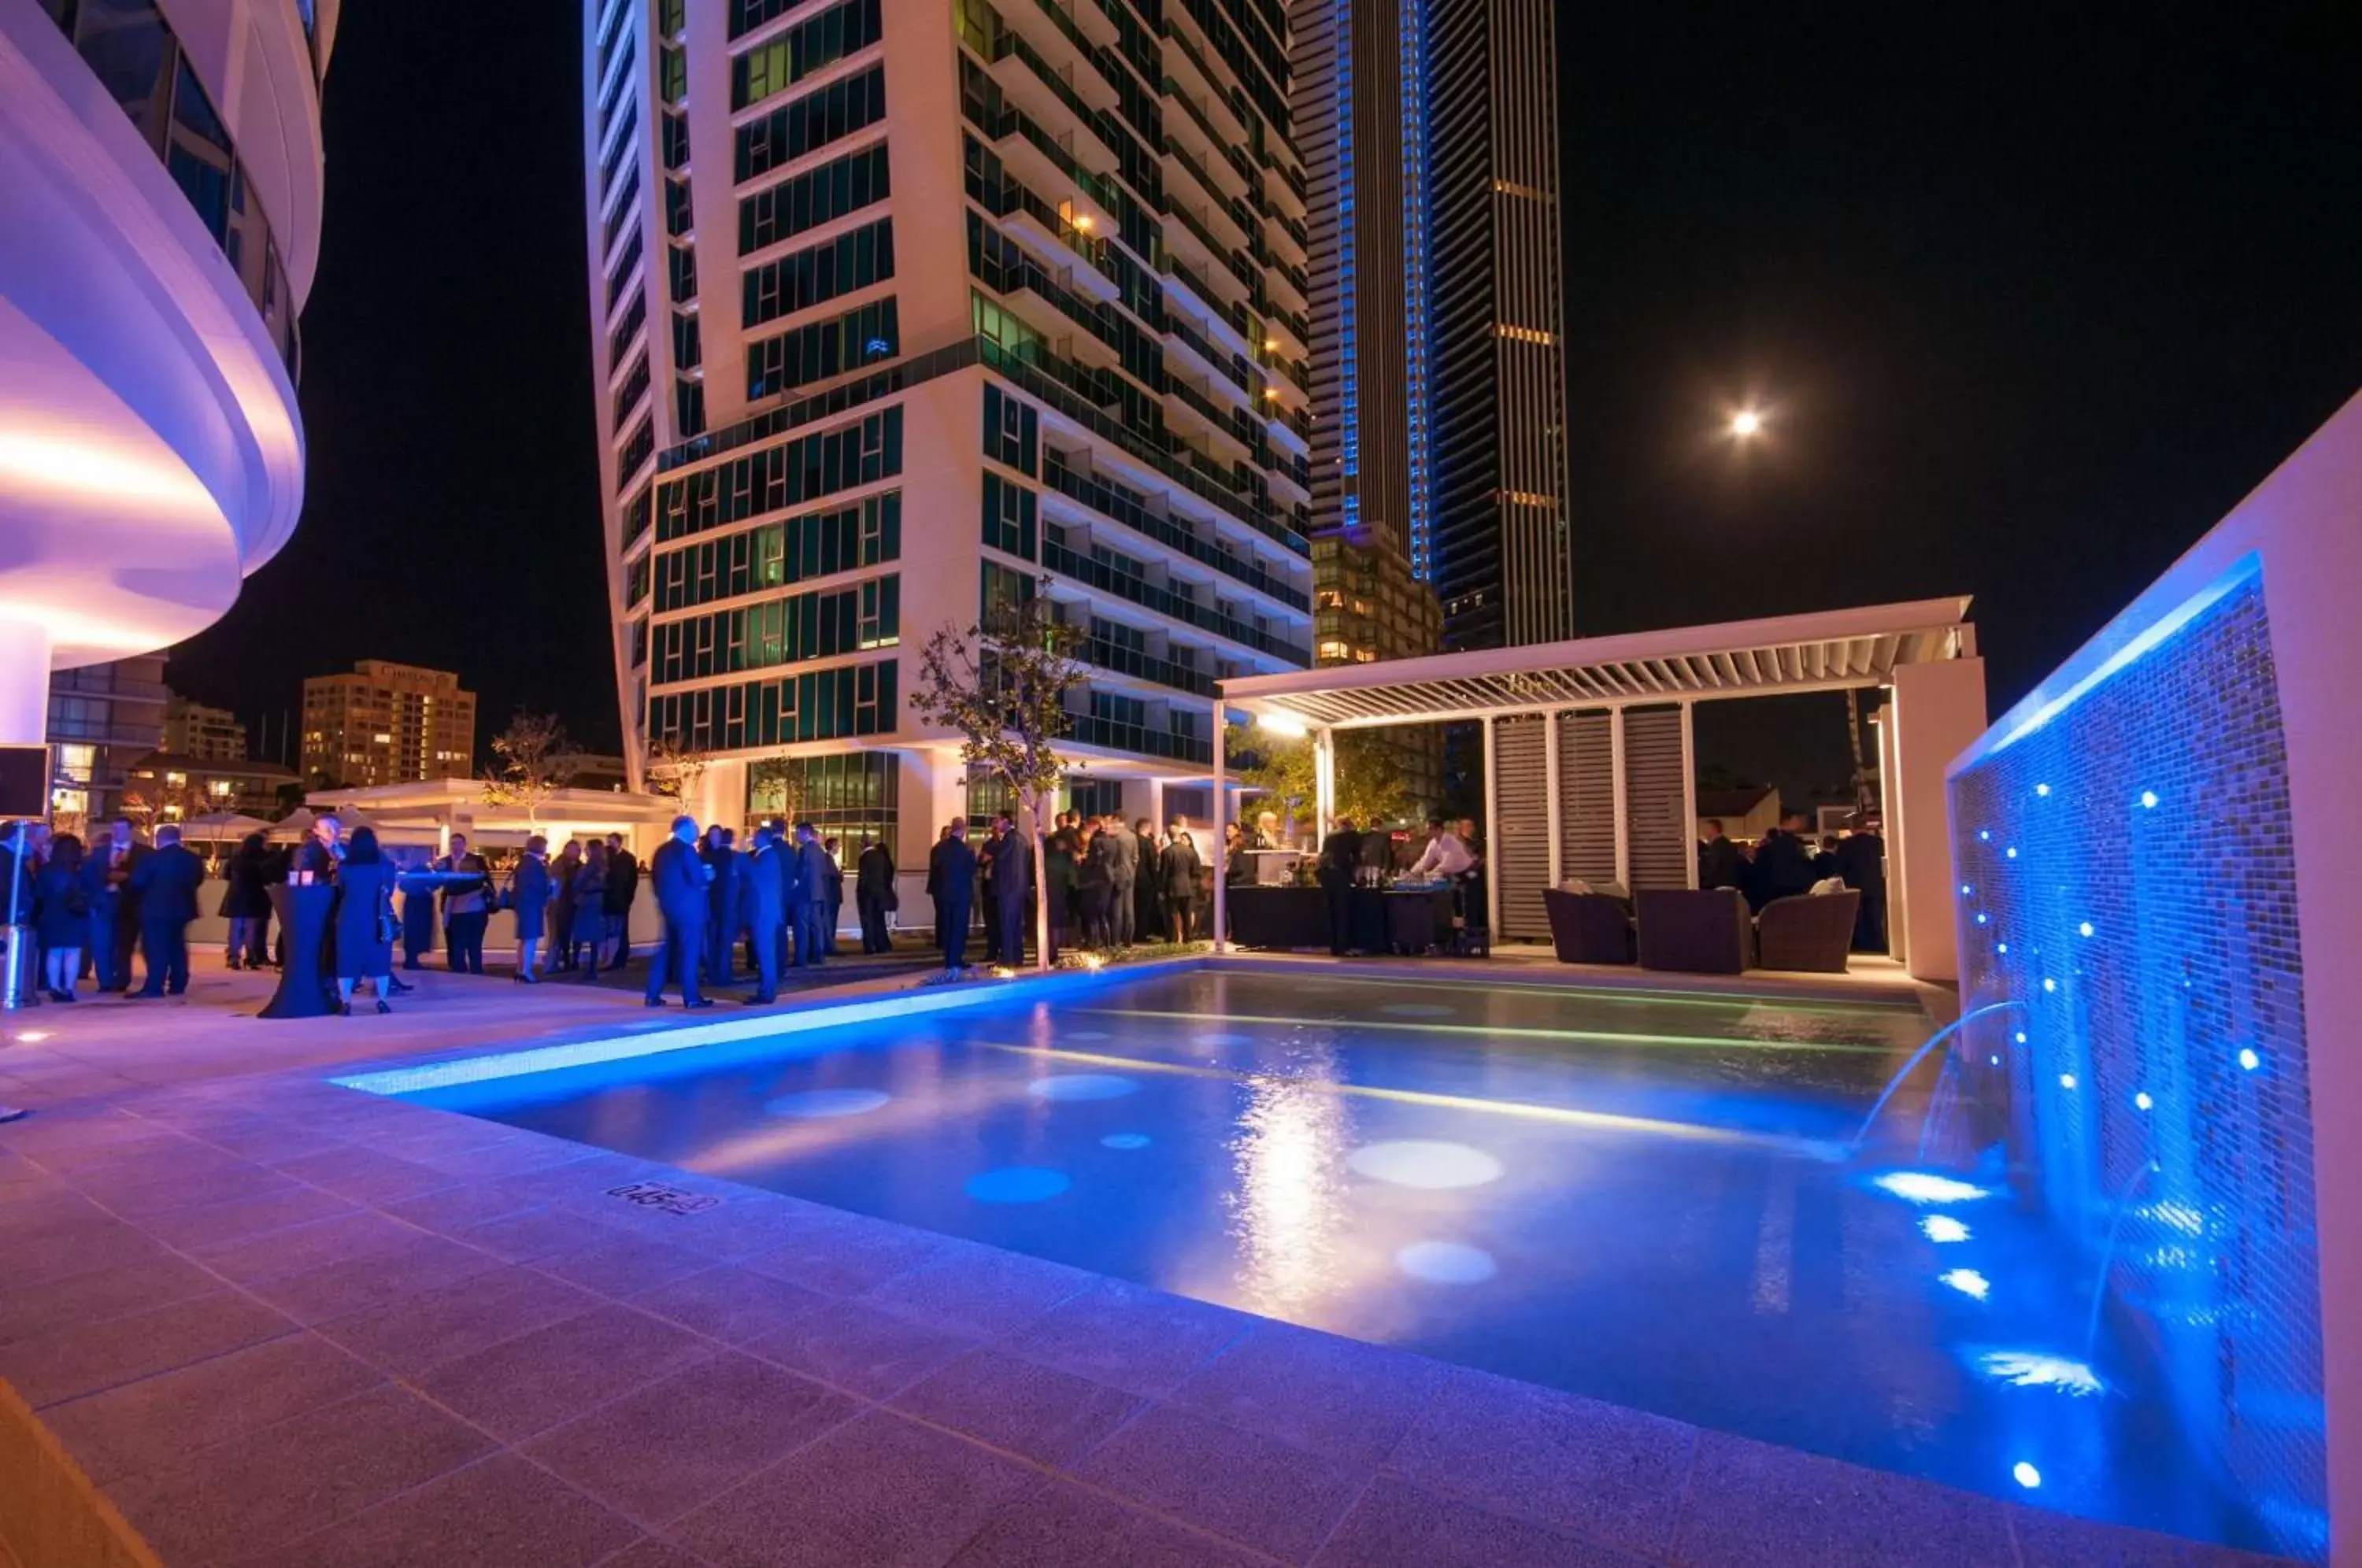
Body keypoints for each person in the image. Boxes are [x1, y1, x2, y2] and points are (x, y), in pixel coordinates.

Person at [645, 815, 713, 1008]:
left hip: (669, 909)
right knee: (690, 952)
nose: (698, 831)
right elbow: (697, 879)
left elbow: (656, 879)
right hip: (691, 911)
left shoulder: (662, 851)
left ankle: (652, 994)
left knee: (665, 951)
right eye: (695, 827)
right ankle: (691, 997)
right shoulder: (687, 851)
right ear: (684, 829)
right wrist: (708, 875)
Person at [127, 824, 203, 998]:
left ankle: (154, 986)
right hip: (184, 909)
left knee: (156, 948)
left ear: (159, 839)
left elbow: (138, 882)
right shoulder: (193, 859)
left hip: (155, 909)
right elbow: (197, 880)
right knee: (178, 945)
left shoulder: (152, 858)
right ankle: (178, 983)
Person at [333, 827, 398, 1014]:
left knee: (347, 959)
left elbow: (340, 890)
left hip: (349, 917)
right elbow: (389, 892)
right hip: (377, 917)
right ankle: (382, 1000)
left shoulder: (344, 867)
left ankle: (346, 1002)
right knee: (380, 959)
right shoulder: (386, 867)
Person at [34, 833, 87, 1002]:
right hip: (76, 916)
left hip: (52, 914)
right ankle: (70, 988)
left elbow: (39, 894)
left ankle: (54, 987)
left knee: (54, 953)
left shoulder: (47, 870)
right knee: (73, 953)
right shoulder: (81, 870)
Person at [741, 823, 787, 1004]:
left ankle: (767, 992)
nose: (752, 839)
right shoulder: (768, 856)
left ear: (762, 838)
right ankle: (766, 989)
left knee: (765, 952)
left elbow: (752, 875)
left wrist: (744, 853)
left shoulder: (767, 857)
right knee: (764, 952)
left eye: (755, 836)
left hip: (764, 913)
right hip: (765, 912)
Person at [435, 834, 491, 974]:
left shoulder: (476, 860)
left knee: (474, 943)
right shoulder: (445, 862)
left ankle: (475, 970)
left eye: (458, 843)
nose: (455, 846)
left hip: (474, 907)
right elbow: (439, 882)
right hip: (453, 907)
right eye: (453, 843)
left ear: (464, 844)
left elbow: (485, 879)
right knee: (456, 942)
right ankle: (458, 969)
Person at [217, 832, 271, 970]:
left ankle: (234, 957)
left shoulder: (236, 858)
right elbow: (267, 877)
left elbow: (226, 875)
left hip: (236, 897)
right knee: (251, 930)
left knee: (236, 929)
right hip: (255, 898)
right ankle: (251, 957)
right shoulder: (263, 859)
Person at [930, 819, 977, 971]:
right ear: (963, 830)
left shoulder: (940, 847)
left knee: (948, 927)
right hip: (961, 894)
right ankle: (956, 959)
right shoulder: (965, 850)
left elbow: (936, 868)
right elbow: (972, 870)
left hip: (944, 893)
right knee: (959, 928)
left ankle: (949, 959)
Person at [1834, 820, 1889, 952]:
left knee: (1857, 919)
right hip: (1876, 886)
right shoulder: (1878, 843)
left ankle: (1860, 945)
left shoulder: (1846, 845)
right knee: (1875, 918)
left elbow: (1840, 867)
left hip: (1854, 886)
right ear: (1865, 827)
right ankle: (1877, 946)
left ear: (1852, 828)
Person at [1748, 813, 1818, 912]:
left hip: (1777, 890)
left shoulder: (1772, 846)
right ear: (1788, 822)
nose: (1799, 822)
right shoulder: (1791, 843)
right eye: (1796, 819)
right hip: (1794, 889)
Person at [509, 834, 553, 983]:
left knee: (524, 938)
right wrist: (550, 886)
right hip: (532, 904)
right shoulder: (535, 864)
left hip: (523, 904)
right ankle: (526, 971)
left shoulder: (523, 862)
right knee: (531, 939)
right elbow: (539, 886)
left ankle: (520, 969)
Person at [990, 815, 1033, 966]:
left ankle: (1009, 958)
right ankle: (1017, 956)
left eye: (998, 821)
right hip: (1021, 887)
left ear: (1006, 821)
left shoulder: (1009, 839)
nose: (996, 824)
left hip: (1008, 887)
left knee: (1007, 923)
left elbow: (999, 856)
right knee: (1016, 924)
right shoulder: (1022, 839)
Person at [701, 826, 742, 984]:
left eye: (716, 835)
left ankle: (722, 974)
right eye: (711, 835)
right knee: (714, 939)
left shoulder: (726, 856)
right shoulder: (709, 855)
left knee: (723, 939)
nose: (714, 838)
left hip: (725, 903)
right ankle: (715, 973)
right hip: (714, 902)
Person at [1317, 815, 1362, 956]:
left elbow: (1323, 856)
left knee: (1331, 912)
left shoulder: (1330, 836)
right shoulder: (1353, 836)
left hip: (1326, 875)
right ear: (1350, 823)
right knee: (1343, 912)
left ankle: (1334, 946)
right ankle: (1344, 947)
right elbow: (1357, 858)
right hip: (1341, 875)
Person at [568, 841, 611, 979]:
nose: (584, 850)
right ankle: (591, 967)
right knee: (593, 935)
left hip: (588, 902)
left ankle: (584, 966)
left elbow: (579, 883)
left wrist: (578, 890)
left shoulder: (591, 867)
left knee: (586, 932)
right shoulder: (602, 866)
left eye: (587, 848)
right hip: (595, 901)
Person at [791, 823, 832, 968]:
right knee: (817, 925)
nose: (796, 836)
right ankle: (818, 955)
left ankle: (801, 958)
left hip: (805, 894)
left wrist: (795, 884)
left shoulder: (804, 850)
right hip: (818, 893)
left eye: (797, 833)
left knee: (802, 926)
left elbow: (802, 872)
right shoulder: (820, 851)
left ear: (805, 833)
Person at [603, 832, 639, 970]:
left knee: (621, 929)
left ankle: (621, 957)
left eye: (612, 841)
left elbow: (632, 880)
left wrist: (629, 897)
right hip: (610, 898)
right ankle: (613, 958)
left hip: (621, 898)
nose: (609, 844)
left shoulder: (628, 859)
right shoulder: (608, 857)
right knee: (613, 929)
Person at [1161, 824, 1201, 943]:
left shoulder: (1167, 852)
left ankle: (1172, 939)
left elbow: (1164, 873)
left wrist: (1161, 890)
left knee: (1172, 915)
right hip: (1187, 887)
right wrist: (1192, 885)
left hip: (1172, 887)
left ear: (1168, 836)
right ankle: (1188, 938)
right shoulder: (1190, 852)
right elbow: (1197, 872)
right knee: (1186, 915)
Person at [855, 834, 895, 954]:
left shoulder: (864, 857)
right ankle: (882, 945)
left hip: (867, 894)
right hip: (880, 892)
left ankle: (870, 946)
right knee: (879, 919)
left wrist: (859, 891)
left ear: (863, 844)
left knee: (867, 919)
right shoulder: (880, 856)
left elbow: (863, 876)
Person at [1042, 821, 1076, 957]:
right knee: (1055, 923)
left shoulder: (1046, 858)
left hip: (1050, 893)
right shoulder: (1064, 858)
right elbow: (1071, 877)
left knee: (1050, 923)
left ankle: (1050, 951)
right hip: (1059, 893)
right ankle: (1053, 951)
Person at [1077, 819, 1113, 947]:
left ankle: (1094, 942)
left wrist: (1084, 860)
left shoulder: (1096, 841)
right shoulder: (1111, 840)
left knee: (1092, 913)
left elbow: (1093, 861)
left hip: (1095, 880)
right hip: (1107, 880)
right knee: (1102, 913)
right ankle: (1106, 941)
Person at [549, 840, 583, 971]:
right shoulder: (559, 866)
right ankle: (562, 962)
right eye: (576, 850)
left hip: (574, 904)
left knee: (573, 935)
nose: (579, 853)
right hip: (562, 905)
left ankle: (572, 961)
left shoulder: (579, 866)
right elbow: (555, 884)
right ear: (567, 850)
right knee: (561, 935)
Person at [1105, 811, 1138, 945]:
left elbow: (1110, 858)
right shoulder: (1132, 836)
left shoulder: (1114, 836)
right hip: (1130, 874)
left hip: (1116, 874)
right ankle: (1128, 939)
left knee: (1117, 910)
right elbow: (1135, 858)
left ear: (1116, 819)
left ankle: (1115, 939)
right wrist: (1132, 871)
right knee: (1129, 909)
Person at [1406, 815, 1475, 879]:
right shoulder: (1433, 843)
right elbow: (1425, 860)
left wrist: (1432, 873)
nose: (1427, 831)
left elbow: (1447, 863)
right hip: (1455, 873)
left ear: (1438, 829)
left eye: (1430, 829)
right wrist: (1412, 873)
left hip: (1467, 871)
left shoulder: (1449, 841)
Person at [976, 817, 1005, 964]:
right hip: (988, 887)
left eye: (997, 828)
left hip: (1000, 888)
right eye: (993, 828)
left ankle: (1002, 950)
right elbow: (980, 861)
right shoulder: (988, 844)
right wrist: (984, 860)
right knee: (990, 921)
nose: (995, 831)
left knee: (1001, 921)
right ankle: (992, 951)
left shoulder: (1005, 844)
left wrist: (992, 859)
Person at [1132, 817, 1163, 945]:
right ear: (1147, 828)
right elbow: (1152, 864)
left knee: (1135, 907)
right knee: (1145, 909)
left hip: (1133, 879)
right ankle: (1142, 934)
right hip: (1146, 881)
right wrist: (1157, 881)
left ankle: (1133, 933)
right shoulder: (1148, 844)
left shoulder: (1132, 841)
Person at [1697, 819, 1746, 892]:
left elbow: (1711, 866)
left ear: (1713, 830)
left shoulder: (1717, 846)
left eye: (1706, 829)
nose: (1704, 832)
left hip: (1718, 887)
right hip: (1730, 886)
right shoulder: (1728, 844)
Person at [820, 836, 846, 956]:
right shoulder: (828, 859)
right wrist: (840, 874)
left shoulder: (830, 859)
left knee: (831, 922)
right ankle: (829, 947)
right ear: (832, 846)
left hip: (832, 897)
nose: (839, 848)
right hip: (831, 897)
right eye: (837, 845)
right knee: (830, 922)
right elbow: (834, 877)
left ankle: (830, 945)